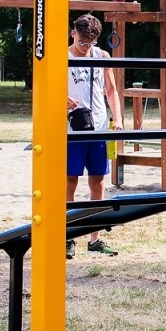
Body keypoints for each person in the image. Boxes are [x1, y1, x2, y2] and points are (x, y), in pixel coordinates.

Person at [66, 14, 122, 258]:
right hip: (72, 127)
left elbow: (110, 89)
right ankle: (67, 236)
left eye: (90, 43)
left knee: (98, 182)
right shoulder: (61, 57)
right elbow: (44, 89)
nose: (86, 47)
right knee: (70, 181)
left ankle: (94, 238)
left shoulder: (102, 57)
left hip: (98, 124)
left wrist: (117, 118)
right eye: (82, 42)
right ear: (73, 33)